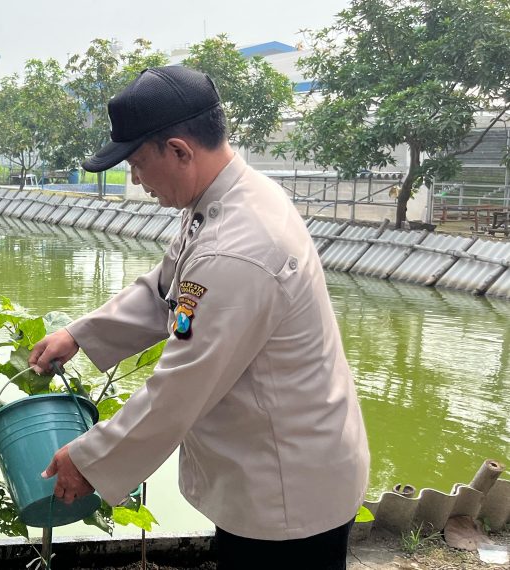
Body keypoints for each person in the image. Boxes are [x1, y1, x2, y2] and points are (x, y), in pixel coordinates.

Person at [30, 67, 369, 569]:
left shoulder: (239, 246)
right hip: (271, 465)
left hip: (286, 488)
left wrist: (90, 458)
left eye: (138, 165)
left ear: (180, 150)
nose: (137, 181)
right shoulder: (221, 202)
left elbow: (181, 386)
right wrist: (81, 334)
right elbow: (168, 290)